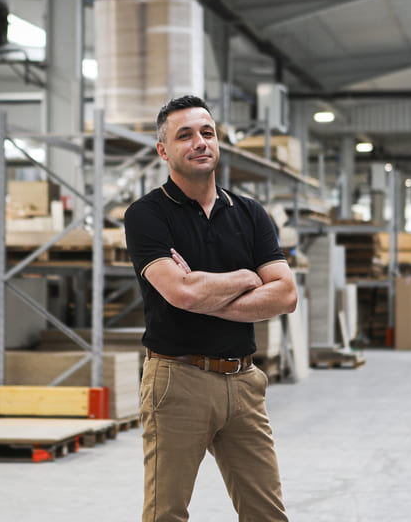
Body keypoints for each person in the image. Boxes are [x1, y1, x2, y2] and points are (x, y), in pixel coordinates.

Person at [124, 95, 298, 522]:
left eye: (208, 133)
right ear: (163, 150)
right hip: (177, 380)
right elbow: (180, 294)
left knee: (268, 515)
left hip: (243, 382)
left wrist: (203, 292)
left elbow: (286, 295)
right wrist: (246, 276)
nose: (200, 142)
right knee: (167, 514)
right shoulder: (146, 215)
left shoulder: (251, 213)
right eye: (185, 135)